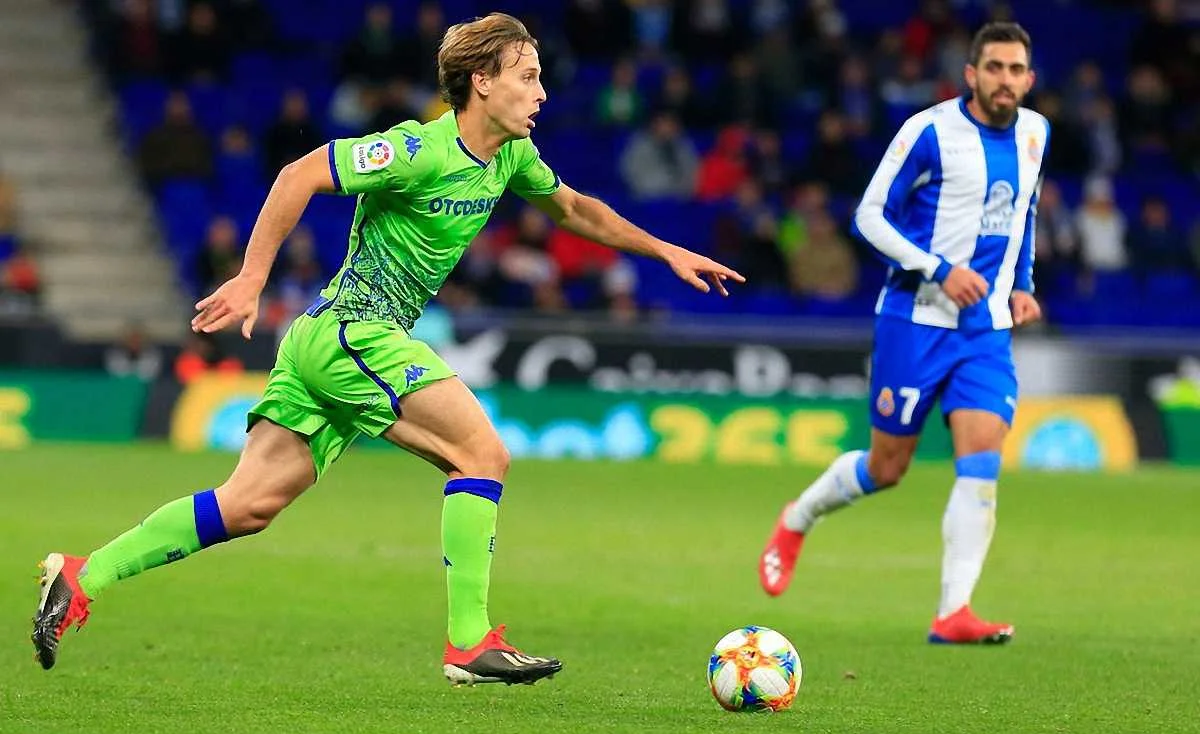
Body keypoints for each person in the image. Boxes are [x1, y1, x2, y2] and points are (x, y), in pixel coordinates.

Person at [33, 13, 742, 684]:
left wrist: (665, 250)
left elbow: (575, 208)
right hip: (354, 330)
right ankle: (469, 642)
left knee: (247, 505)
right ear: (482, 82)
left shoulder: (511, 156)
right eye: (527, 76)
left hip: (329, 340)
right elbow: (299, 174)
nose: (542, 93)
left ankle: (82, 574)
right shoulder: (417, 150)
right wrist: (252, 277)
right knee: (482, 455)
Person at [757, 22, 1047, 645]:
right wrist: (939, 269)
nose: (1005, 80)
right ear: (971, 74)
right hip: (914, 322)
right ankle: (798, 517)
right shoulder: (929, 131)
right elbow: (868, 216)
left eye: (1015, 69)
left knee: (981, 463)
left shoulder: (1035, 133)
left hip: (986, 331)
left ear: (1029, 78)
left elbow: (1023, 212)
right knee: (887, 467)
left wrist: (1022, 283)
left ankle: (953, 612)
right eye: (994, 68)